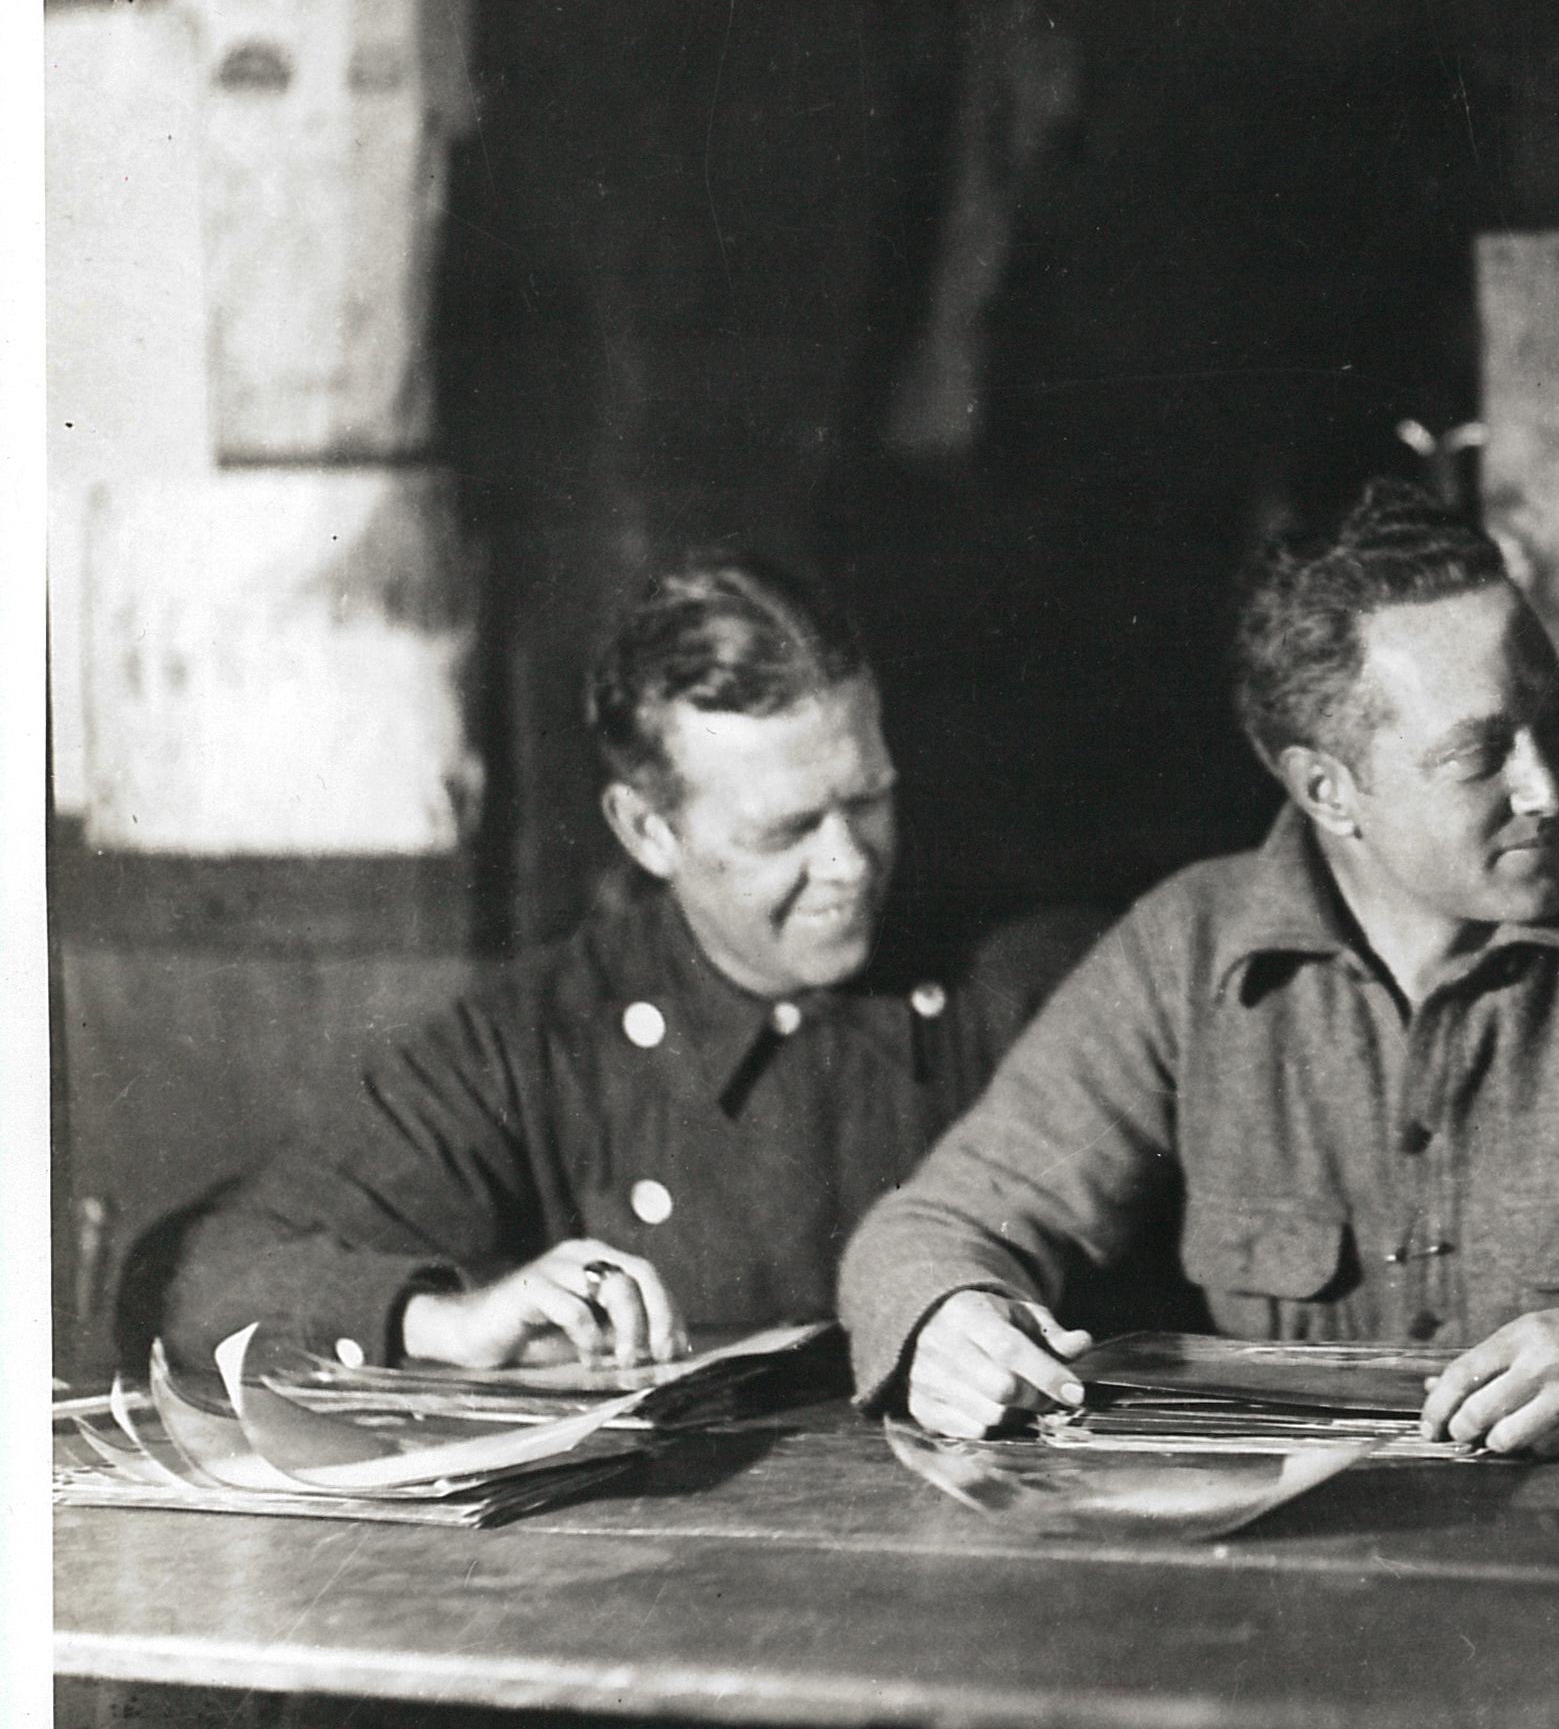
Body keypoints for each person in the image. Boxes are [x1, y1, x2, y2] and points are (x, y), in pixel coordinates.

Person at [838, 481, 1559, 1454]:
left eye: (1550, 718)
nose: (1549, 786)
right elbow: (928, 1228)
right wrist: (947, 1318)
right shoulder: (1188, 951)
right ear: (1327, 790)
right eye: (1477, 754)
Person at [163, 556, 1102, 1373]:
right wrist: (443, 1321)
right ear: (648, 831)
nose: (850, 863)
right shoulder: (537, 1040)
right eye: (786, 830)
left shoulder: (1030, 980)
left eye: (869, 800)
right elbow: (205, 1271)